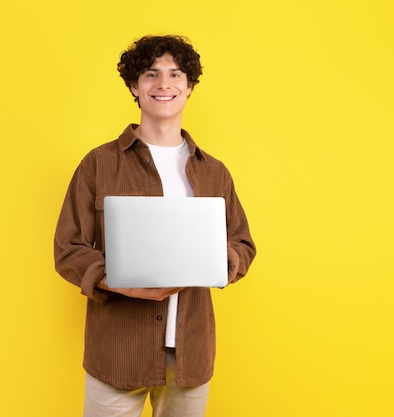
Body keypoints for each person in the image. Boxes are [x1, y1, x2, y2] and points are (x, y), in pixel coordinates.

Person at [54, 35, 256, 417]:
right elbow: (68, 249)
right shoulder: (97, 164)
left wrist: (220, 260)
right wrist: (114, 279)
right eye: (151, 74)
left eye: (175, 74)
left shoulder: (214, 172)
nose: (164, 84)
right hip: (117, 352)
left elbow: (242, 243)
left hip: (190, 353)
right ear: (135, 86)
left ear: (189, 86)